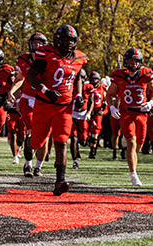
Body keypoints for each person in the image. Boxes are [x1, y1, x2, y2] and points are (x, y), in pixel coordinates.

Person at [25, 24, 87, 196]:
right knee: (38, 143)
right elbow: (30, 76)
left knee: (61, 141)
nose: (69, 43)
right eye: (66, 40)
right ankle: (29, 142)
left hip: (64, 108)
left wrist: (79, 95)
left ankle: (60, 181)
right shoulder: (47, 53)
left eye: (72, 40)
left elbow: (77, 78)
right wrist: (45, 90)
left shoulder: (79, 58)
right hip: (44, 104)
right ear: (58, 40)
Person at [106, 48, 153, 186]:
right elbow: (109, 94)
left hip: (142, 113)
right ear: (126, 61)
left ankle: (129, 153)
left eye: (135, 61)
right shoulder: (118, 75)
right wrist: (112, 107)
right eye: (130, 61)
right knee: (131, 142)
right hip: (126, 113)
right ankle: (134, 175)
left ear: (140, 62)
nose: (132, 63)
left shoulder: (146, 74)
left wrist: (151, 103)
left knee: (138, 147)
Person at [7, 32, 50, 177]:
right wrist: (12, 91)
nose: (36, 45)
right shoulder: (24, 59)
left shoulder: (50, 59)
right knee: (32, 132)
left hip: (44, 100)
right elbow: (20, 77)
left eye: (40, 42)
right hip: (27, 99)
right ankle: (28, 165)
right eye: (34, 42)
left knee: (44, 137)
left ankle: (38, 167)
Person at [87, 71, 108, 159]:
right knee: (86, 134)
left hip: (98, 113)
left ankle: (93, 151)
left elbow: (106, 103)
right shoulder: (86, 87)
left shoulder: (102, 88)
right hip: (87, 113)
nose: (93, 81)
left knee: (95, 133)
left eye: (95, 79)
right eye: (91, 79)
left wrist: (103, 112)